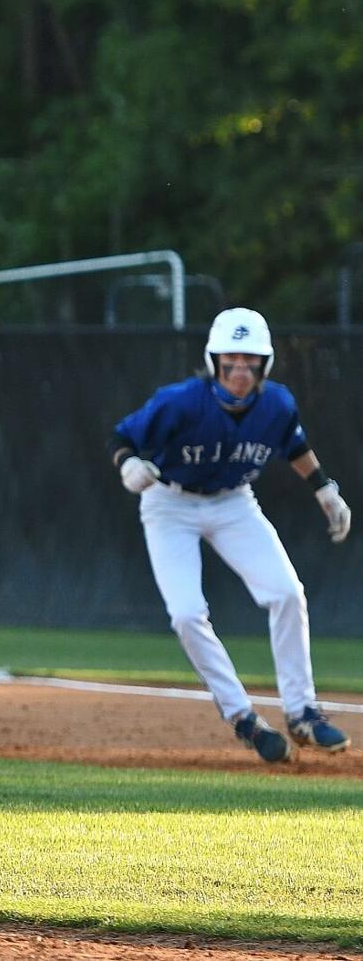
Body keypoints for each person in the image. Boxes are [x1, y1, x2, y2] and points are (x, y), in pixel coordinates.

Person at [110, 307, 352, 763]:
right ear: (214, 361)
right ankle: (243, 718)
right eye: (231, 361)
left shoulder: (276, 403)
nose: (240, 370)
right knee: (186, 614)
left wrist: (324, 489)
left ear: (265, 364)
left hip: (232, 502)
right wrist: (129, 465)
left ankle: (302, 712)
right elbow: (121, 437)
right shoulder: (180, 401)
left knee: (287, 593)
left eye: (250, 361)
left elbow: (294, 444)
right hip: (170, 504)